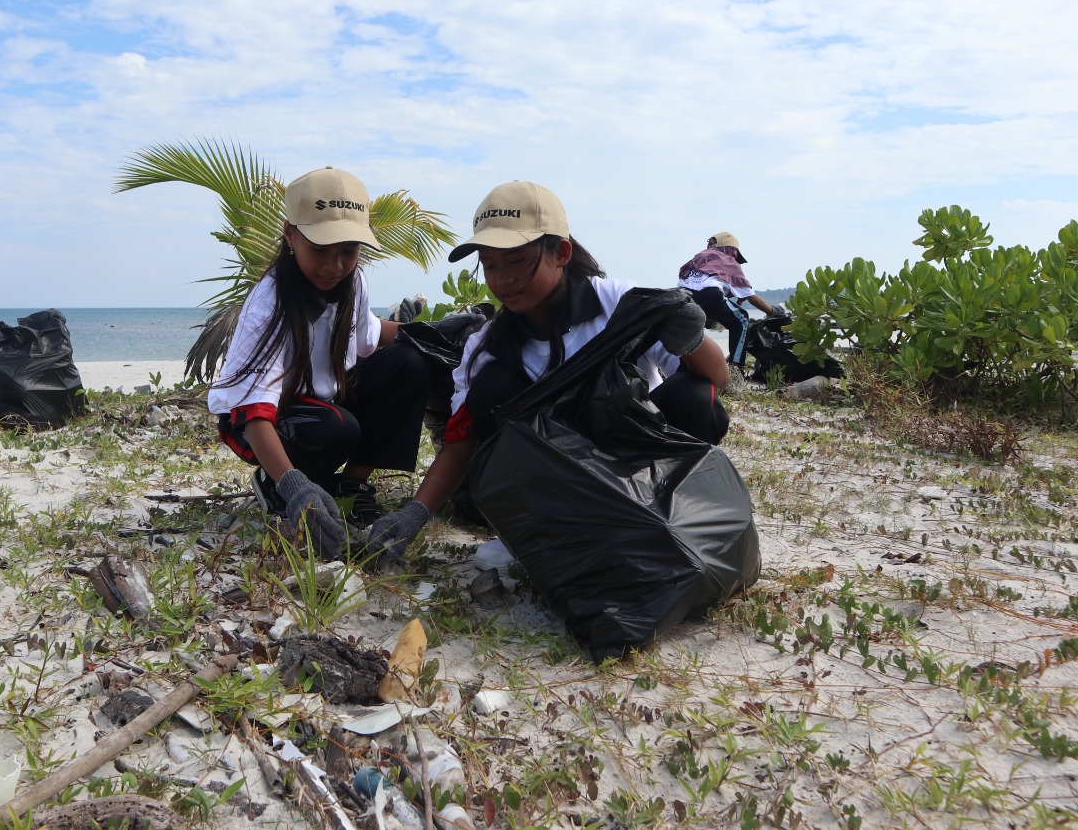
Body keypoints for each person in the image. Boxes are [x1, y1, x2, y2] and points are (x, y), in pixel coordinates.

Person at [362, 180, 730, 564]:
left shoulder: (621, 306)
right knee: (493, 386)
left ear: (561, 253)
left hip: (637, 465)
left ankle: (677, 514)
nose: (503, 279)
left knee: (693, 396)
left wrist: (689, 338)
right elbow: (462, 444)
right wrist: (414, 514)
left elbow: (716, 379)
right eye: (490, 265)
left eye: (517, 261)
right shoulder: (484, 347)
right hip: (556, 482)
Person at [208, 167, 432, 554]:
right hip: (257, 420)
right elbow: (254, 411)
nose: (334, 266)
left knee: (412, 362)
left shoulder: (353, 282)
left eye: (348, 251)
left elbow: (371, 337)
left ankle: (352, 484)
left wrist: (435, 335)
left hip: (320, 401)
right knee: (336, 428)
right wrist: (295, 489)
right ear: (290, 234)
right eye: (321, 250)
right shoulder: (270, 305)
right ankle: (276, 481)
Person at [677, 232, 783, 371]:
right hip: (709, 294)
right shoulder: (727, 261)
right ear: (730, 250)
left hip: (682, 295)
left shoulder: (700, 258)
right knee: (742, 321)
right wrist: (772, 311)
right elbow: (751, 297)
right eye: (734, 254)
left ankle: (683, 365)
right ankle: (735, 367)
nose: (734, 258)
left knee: (690, 329)